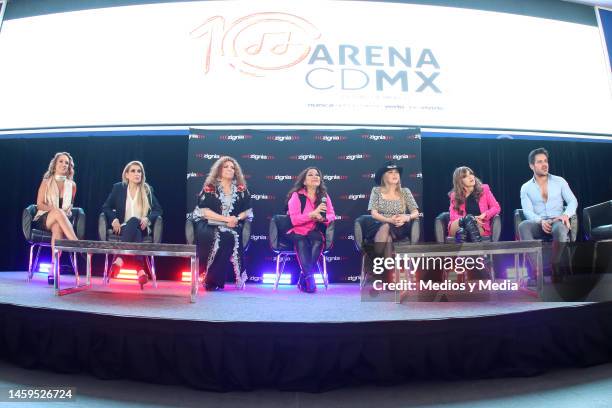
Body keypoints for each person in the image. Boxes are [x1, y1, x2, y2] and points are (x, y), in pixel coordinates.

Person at [518, 148, 578, 280]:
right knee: (523, 226)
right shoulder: (526, 187)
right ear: (531, 166)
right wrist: (540, 221)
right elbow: (527, 211)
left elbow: (573, 201)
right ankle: (536, 270)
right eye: (539, 162)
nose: (544, 164)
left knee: (561, 228)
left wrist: (566, 215)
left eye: (545, 161)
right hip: (539, 223)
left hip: (557, 220)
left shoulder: (559, 181)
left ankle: (555, 265)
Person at [195, 156, 252, 291]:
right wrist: (226, 219)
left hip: (233, 225)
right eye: (226, 167)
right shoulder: (210, 188)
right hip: (210, 225)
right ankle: (212, 279)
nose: (229, 169)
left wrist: (236, 219)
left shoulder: (241, 190)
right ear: (219, 170)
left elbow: (248, 210)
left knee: (230, 236)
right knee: (223, 236)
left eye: (232, 167)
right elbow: (204, 211)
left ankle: (213, 281)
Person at [102, 161, 163, 289]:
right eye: (133, 171)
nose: (137, 174)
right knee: (133, 226)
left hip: (142, 227)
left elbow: (158, 210)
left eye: (139, 171)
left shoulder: (147, 189)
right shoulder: (118, 188)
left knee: (135, 221)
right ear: (127, 175)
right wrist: (114, 220)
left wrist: (147, 218)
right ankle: (140, 270)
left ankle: (119, 258)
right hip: (123, 228)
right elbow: (106, 207)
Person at [285, 167, 336, 293]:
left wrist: (322, 218)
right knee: (301, 242)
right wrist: (311, 215)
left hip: (314, 229)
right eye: (311, 175)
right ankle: (309, 279)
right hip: (296, 231)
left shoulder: (324, 196)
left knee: (318, 240)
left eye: (317, 175)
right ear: (304, 181)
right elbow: (294, 220)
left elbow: (332, 215)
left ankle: (304, 277)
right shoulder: (297, 196)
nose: (315, 177)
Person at [366, 161, 420, 270]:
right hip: (381, 225)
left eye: (396, 172)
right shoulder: (376, 191)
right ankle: (389, 274)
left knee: (388, 230)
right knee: (388, 236)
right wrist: (389, 220)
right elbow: (374, 213)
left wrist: (407, 217)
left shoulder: (405, 191)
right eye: (390, 172)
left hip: (400, 226)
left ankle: (374, 261)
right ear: (384, 176)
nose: (395, 175)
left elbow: (416, 212)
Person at [33, 152, 79, 256]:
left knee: (57, 226)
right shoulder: (46, 182)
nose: (64, 164)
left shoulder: (72, 185)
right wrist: (55, 211)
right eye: (61, 161)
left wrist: (61, 214)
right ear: (54, 165)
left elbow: (70, 205)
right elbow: (39, 204)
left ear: (69, 167)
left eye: (66, 163)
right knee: (58, 212)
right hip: (45, 218)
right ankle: (77, 244)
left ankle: (54, 266)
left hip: (63, 220)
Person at [448, 166, 501, 242]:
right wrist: (471, 218)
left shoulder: (484, 189)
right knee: (468, 218)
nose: (471, 177)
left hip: (479, 226)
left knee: (463, 233)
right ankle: (480, 252)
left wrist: (484, 215)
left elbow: (496, 207)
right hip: (458, 225)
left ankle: (466, 253)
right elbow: (453, 216)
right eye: (465, 176)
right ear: (460, 181)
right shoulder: (454, 195)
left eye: (471, 174)